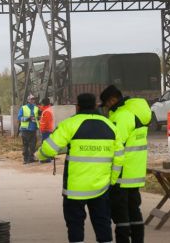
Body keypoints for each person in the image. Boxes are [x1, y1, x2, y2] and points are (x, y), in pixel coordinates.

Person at [36, 93, 124, 243]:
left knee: (75, 224)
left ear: (78, 107)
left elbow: (50, 149)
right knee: (103, 223)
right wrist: (112, 180)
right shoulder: (110, 125)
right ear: (96, 106)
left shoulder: (70, 124)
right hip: (101, 187)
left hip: (75, 189)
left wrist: (40, 155)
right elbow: (119, 157)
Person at [100, 85, 151, 243]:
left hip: (121, 172)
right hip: (134, 171)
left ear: (113, 99)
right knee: (134, 210)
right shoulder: (134, 113)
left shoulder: (121, 116)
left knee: (120, 213)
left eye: (106, 103)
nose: (106, 108)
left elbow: (115, 145)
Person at [18, 94, 40, 164]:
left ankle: (31, 157)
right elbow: (19, 118)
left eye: (33, 99)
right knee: (26, 145)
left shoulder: (36, 108)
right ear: (28, 100)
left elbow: (37, 117)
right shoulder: (23, 108)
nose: (33, 100)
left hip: (33, 129)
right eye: (31, 99)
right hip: (25, 129)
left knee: (33, 145)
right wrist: (28, 118)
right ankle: (25, 159)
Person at [39, 98, 53, 163]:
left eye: (41, 104)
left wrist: (42, 129)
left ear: (43, 104)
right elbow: (42, 108)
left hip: (46, 130)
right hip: (48, 130)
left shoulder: (46, 111)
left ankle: (46, 159)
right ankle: (48, 157)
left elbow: (45, 122)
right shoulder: (48, 109)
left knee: (45, 145)